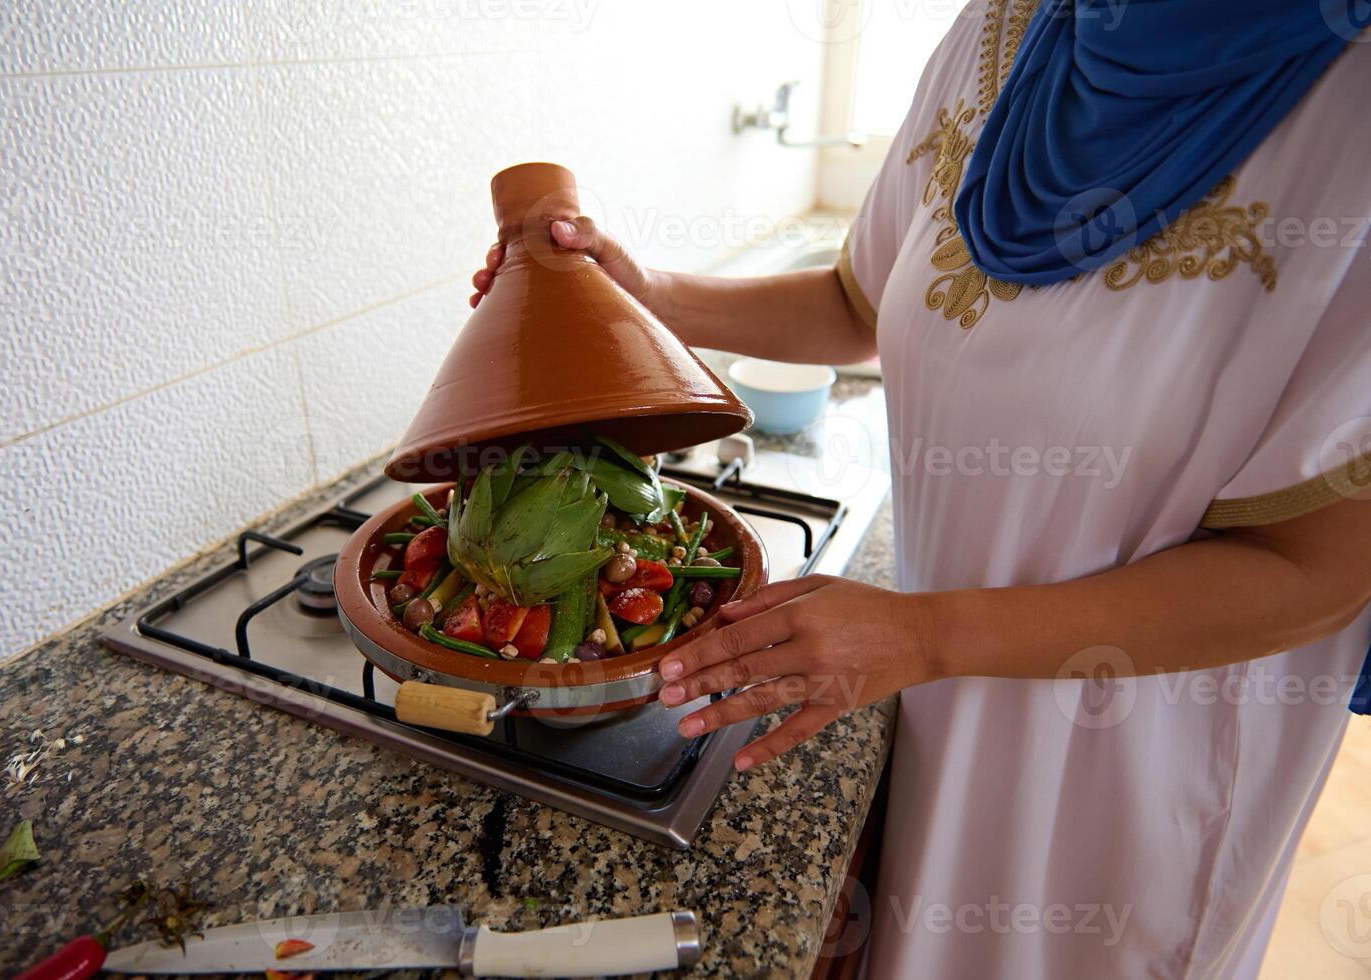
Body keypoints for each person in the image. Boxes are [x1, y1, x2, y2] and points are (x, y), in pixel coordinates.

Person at [471, 1, 1371, 974]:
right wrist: (650, 299)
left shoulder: (1349, 118)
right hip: (938, 677)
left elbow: (1315, 572)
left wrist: (926, 631)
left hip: (1142, 754)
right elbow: (856, 300)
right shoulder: (1005, 26)